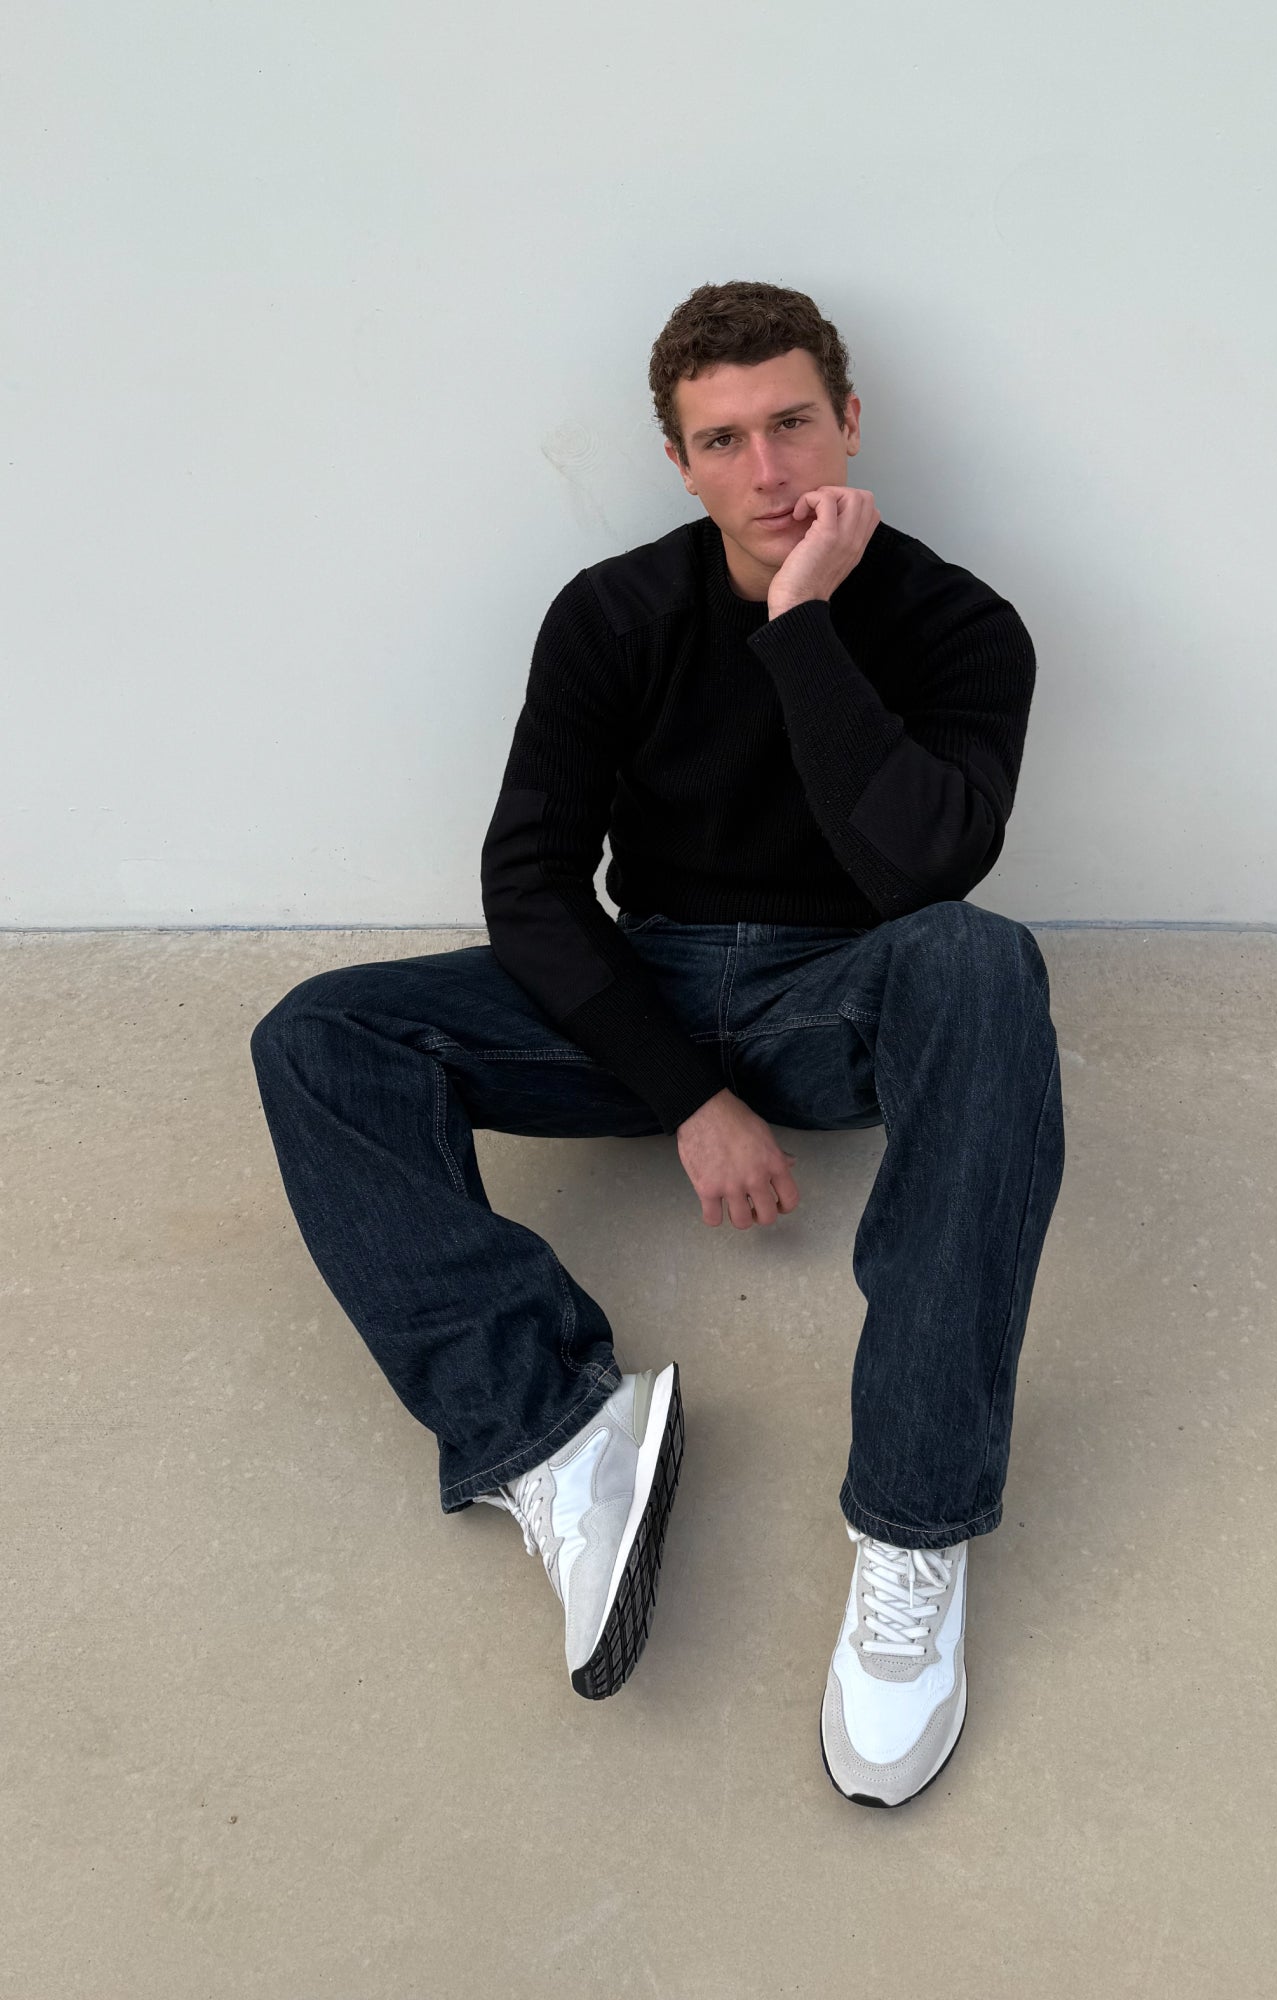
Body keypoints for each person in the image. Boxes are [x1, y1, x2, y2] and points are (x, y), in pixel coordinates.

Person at [250, 278, 1065, 1808]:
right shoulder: (612, 615)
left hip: (847, 991)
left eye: (793, 424)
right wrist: (686, 1093)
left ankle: (913, 1529)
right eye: (725, 440)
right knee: (322, 1037)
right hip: (651, 986)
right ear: (679, 462)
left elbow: (926, 868)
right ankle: (556, 1433)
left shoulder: (960, 624)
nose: (768, 470)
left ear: (850, 422)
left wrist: (803, 625)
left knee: (980, 961)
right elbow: (531, 886)